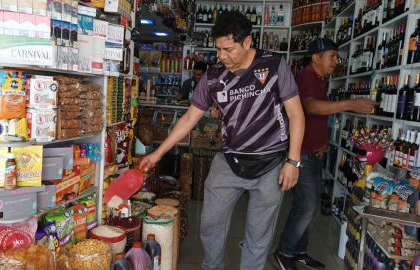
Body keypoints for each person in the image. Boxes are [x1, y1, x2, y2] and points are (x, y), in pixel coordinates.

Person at [140, 11, 306, 270]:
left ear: (247, 43)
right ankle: (211, 267)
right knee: (209, 222)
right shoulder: (214, 75)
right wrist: (157, 154)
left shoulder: (274, 65)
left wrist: (293, 162)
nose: (221, 56)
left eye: (228, 49)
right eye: (217, 49)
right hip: (229, 160)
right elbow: (188, 120)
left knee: (259, 232)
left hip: (272, 163)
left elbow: (296, 113)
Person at [273, 38, 378, 270]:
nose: (335, 61)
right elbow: (309, 107)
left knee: (309, 207)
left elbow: (316, 116)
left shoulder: (319, 80)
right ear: (316, 57)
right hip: (302, 156)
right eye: (332, 56)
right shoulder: (306, 77)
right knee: (306, 207)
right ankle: (284, 252)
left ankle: (299, 251)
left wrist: (324, 140)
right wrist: (349, 104)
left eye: (336, 56)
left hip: (314, 153)